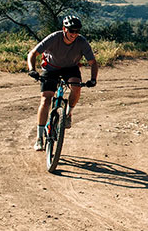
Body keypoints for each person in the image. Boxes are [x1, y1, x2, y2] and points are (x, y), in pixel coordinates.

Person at [27, 15, 98, 151]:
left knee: (76, 88)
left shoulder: (81, 42)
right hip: (51, 68)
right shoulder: (54, 37)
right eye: (71, 31)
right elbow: (32, 54)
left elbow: (93, 62)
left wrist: (93, 79)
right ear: (64, 29)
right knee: (46, 99)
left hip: (70, 68)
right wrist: (32, 70)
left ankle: (68, 113)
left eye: (77, 31)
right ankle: (39, 138)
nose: (74, 34)